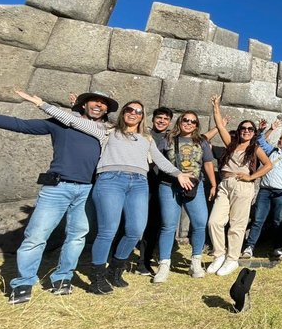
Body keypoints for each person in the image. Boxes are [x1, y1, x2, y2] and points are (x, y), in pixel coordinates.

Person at [16, 91, 196, 294]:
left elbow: (161, 160)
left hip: (138, 183)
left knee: (135, 230)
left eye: (138, 111)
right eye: (129, 109)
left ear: (142, 116)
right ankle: (97, 276)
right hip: (111, 180)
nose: (133, 113)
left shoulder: (146, 138)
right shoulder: (107, 130)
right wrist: (42, 104)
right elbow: (72, 121)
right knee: (108, 230)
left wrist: (178, 173)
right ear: (123, 113)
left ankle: (115, 270)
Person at [0, 91, 116, 304]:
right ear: (84, 105)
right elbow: (20, 125)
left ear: (107, 110)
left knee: (77, 236)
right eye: (94, 101)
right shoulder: (60, 124)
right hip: (57, 187)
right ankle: (24, 282)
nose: (99, 105)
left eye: (103, 103)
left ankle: (63, 278)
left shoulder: (107, 131)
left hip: (88, 190)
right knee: (36, 235)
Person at [207, 96, 273, 276]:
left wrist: (251, 176)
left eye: (250, 129)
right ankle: (219, 254)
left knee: (237, 224)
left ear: (253, 133)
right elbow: (221, 126)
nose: (246, 131)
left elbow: (268, 165)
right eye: (243, 128)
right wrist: (216, 107)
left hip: (243, 186)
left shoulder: (255, 148)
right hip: (224, 184)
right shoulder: (231, 144)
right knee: (214, 221)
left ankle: (232, 259)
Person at [153, 111, 218, 283]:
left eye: (193, 121)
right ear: (180, 122)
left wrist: (213, 184)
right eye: (185, 120)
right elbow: (156, 159)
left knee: (199, 223)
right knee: (168, 226)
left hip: (194, 187)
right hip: (169, 186)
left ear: (197, 125)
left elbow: (208, 163)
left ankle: (195, 261)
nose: (189, 123)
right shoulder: (166, 140)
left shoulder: (201, 142)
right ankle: (164, 264)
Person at [241, 119, 282, 260]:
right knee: (258, 219)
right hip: (265, 190)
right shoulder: (272, 151)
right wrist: (266, 129)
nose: (279, 140)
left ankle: (277, 248)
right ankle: (249, 247)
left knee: (278, 221)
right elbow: (259, 141)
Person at [135, 106, 173, 276]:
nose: (162, 121)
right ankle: (116, 258)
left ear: (170, 122)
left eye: (165, 119)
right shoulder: (143, 133)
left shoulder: (172, 138)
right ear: (153, 118)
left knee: (153, 225)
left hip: (162, 185)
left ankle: (144, 262)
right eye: (159, 117)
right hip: (141, 182)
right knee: (131, 222)